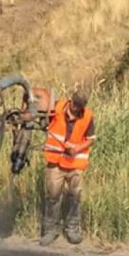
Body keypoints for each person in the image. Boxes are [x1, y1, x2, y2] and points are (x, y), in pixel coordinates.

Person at [40, 90, 96, 246]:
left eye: (80, 106)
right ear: (71, 100)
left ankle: (73, 230)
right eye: (75, 104)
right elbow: (41, 114)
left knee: (74, 196)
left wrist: (77, 149)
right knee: (52, 195)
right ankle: (50, 230)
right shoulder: (56, 108)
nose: (77, 108)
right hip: (55, 161)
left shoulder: (87, 116)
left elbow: (91, 139)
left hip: (75, 163)